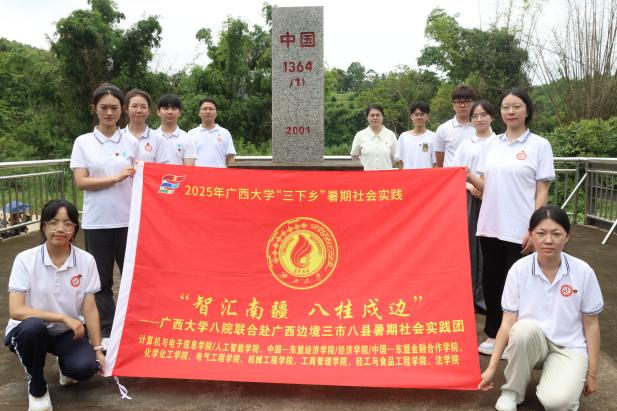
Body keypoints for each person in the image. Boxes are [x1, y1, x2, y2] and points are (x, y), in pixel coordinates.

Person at [479, 206, 602, 411]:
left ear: (567, 236)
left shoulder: (583, 272)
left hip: (569, 346)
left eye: (556, 234)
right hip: (532, 342)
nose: (548, 240)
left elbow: (591, 325)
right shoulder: (519, 270)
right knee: (522, 329)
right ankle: (512, 391)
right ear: (531, 235)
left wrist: (593, 374)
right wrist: (491, 368)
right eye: (541, 233)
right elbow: (507, 323)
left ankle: (559, 378)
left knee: (558, 403)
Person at [467, 88, 555, 356]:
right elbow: (486, 186)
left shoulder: (539, 145)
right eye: (506, 107)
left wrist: (535, 228)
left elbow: (542, 190)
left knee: (518, 285)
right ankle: (494, 334)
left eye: (516, 106)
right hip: (490, 225)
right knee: (492, 282)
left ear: (527, 111)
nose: (510, 111)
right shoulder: (491, 144)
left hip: (520, 228)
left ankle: (516, 338)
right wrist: (468, 175)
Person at [5, 199, 105, 411]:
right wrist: (62, 317)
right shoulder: (25, 260)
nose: (60, 229)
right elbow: (16, 310)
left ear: (75, 228)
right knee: (33, 328)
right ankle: (37, 387)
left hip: (66, 332)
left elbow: (90, 309)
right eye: (53, 222)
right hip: (29, 331)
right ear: (43, 226)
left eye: (68, 223)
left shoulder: (86, 260)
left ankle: (65, 365)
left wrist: (98, 350)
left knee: (86, 367)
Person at [70, 83, 138, 342]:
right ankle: (107, 330)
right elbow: (81, 182)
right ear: (94, 109)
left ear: (122, 110)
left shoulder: (131, 142)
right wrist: (115, 178)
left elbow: (143, 179)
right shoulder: (83, 142)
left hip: (128, 221)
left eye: (114, 108)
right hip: (97, 222)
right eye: (104, 108)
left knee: (133, 278)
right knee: (101, 281)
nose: (109, 113)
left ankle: (133, 326)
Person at [454, 100, 496, 314]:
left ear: (492, 117)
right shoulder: (465, 144)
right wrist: (472, 186)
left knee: (490, 247)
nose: (479, 120)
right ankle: (470, 295)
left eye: (483, 115)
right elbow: (455, 173)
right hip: (469, 198)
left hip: (494, 199)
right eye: (475, 116)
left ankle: (488, 297)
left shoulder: (499, 142)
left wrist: (483, 187)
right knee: (470, 246)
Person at [435, 85, 476, 167]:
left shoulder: (481, 127)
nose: (462, 105)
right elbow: (439, 164)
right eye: (458, 102)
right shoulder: (443, 129)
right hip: (451, 174)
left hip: (474, 174)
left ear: (473, 103)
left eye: (466, 101)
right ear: (453, 105)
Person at [123, 88, 168, 163]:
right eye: (134, 106)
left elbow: (162, 168)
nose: (139, 110)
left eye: (143, 107)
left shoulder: (159, 139)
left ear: (149, 111)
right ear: (126, 109)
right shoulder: (118, 137)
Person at [188, 97, 236, 167]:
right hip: (197, 173)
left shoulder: (225, 133)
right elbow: (188, 158)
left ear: (216, 113)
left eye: (211, 109)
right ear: (199, 113)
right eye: (204, 109)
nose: (208, 112)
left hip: (219, 173)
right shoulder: (191, 134)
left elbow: (230, 158)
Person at [350, 104, 398, 170]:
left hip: (386, 175)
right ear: (367, 117)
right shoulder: (360, 135)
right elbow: (354, 156)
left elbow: (394, 157)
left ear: (382, 117)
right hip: (366, 175)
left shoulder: (391, 135)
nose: (375, 118)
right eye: (372, 115)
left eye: (378, 115)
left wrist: (387, 166)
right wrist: (362, 167)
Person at [154, 93, 196, 166]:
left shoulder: (188, 139)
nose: (170, 112)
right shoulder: (151, 137)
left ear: (179, 112)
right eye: (165, 108)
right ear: (158, 112)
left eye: (174, 108)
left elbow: (189, 169)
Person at [395, 101, 436, 169]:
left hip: (427, 175)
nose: (419, 117)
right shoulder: (404, 137)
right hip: (408, 175)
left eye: (422, 114)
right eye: (416, 114)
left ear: (427, 116)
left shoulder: (434, 137)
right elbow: (401, 162)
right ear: (411, 116)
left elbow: (435, 163)